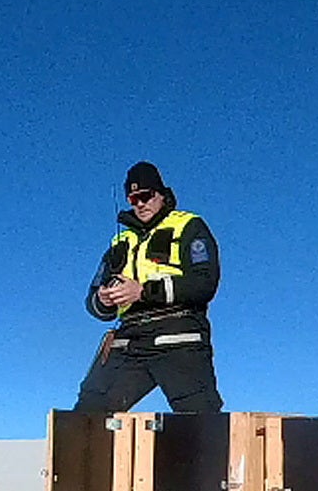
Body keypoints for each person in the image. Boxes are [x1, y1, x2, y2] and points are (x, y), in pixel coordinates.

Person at [73, 161, 223, 413]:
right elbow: (93, 300)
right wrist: (104, 299)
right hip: (128, 340)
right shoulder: (120, 241)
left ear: (161, 195)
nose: (140, 204)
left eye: (146, 196)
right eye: (133, 199)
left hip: (178, 333)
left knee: (201, 424)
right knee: (87, 416)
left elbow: (204, 283)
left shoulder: (188, 226)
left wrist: (142, 291)